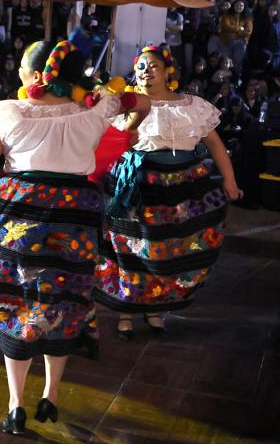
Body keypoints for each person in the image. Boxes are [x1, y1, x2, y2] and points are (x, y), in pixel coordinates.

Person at [0, 40, 150, 434]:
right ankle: (52, 394)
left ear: (32, 75)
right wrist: (112, 106)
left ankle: (16, 405)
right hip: (76, 220)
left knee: (19, 303)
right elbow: (142, 104)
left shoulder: (12, 111)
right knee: (64, 299)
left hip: (21, 216)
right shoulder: (96, 108)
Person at [97, 45, 242, 338]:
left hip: (183, 185)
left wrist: (229, 180)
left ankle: (154, 307)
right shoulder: (124, 103)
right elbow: (112, 141)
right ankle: (127, 309)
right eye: (140, 66)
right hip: (138, 184)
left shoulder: (191, 104)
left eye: (152, 66)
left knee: (166, 250)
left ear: (167, 72)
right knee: (131, 247)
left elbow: (214, 143)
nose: (146, 71)